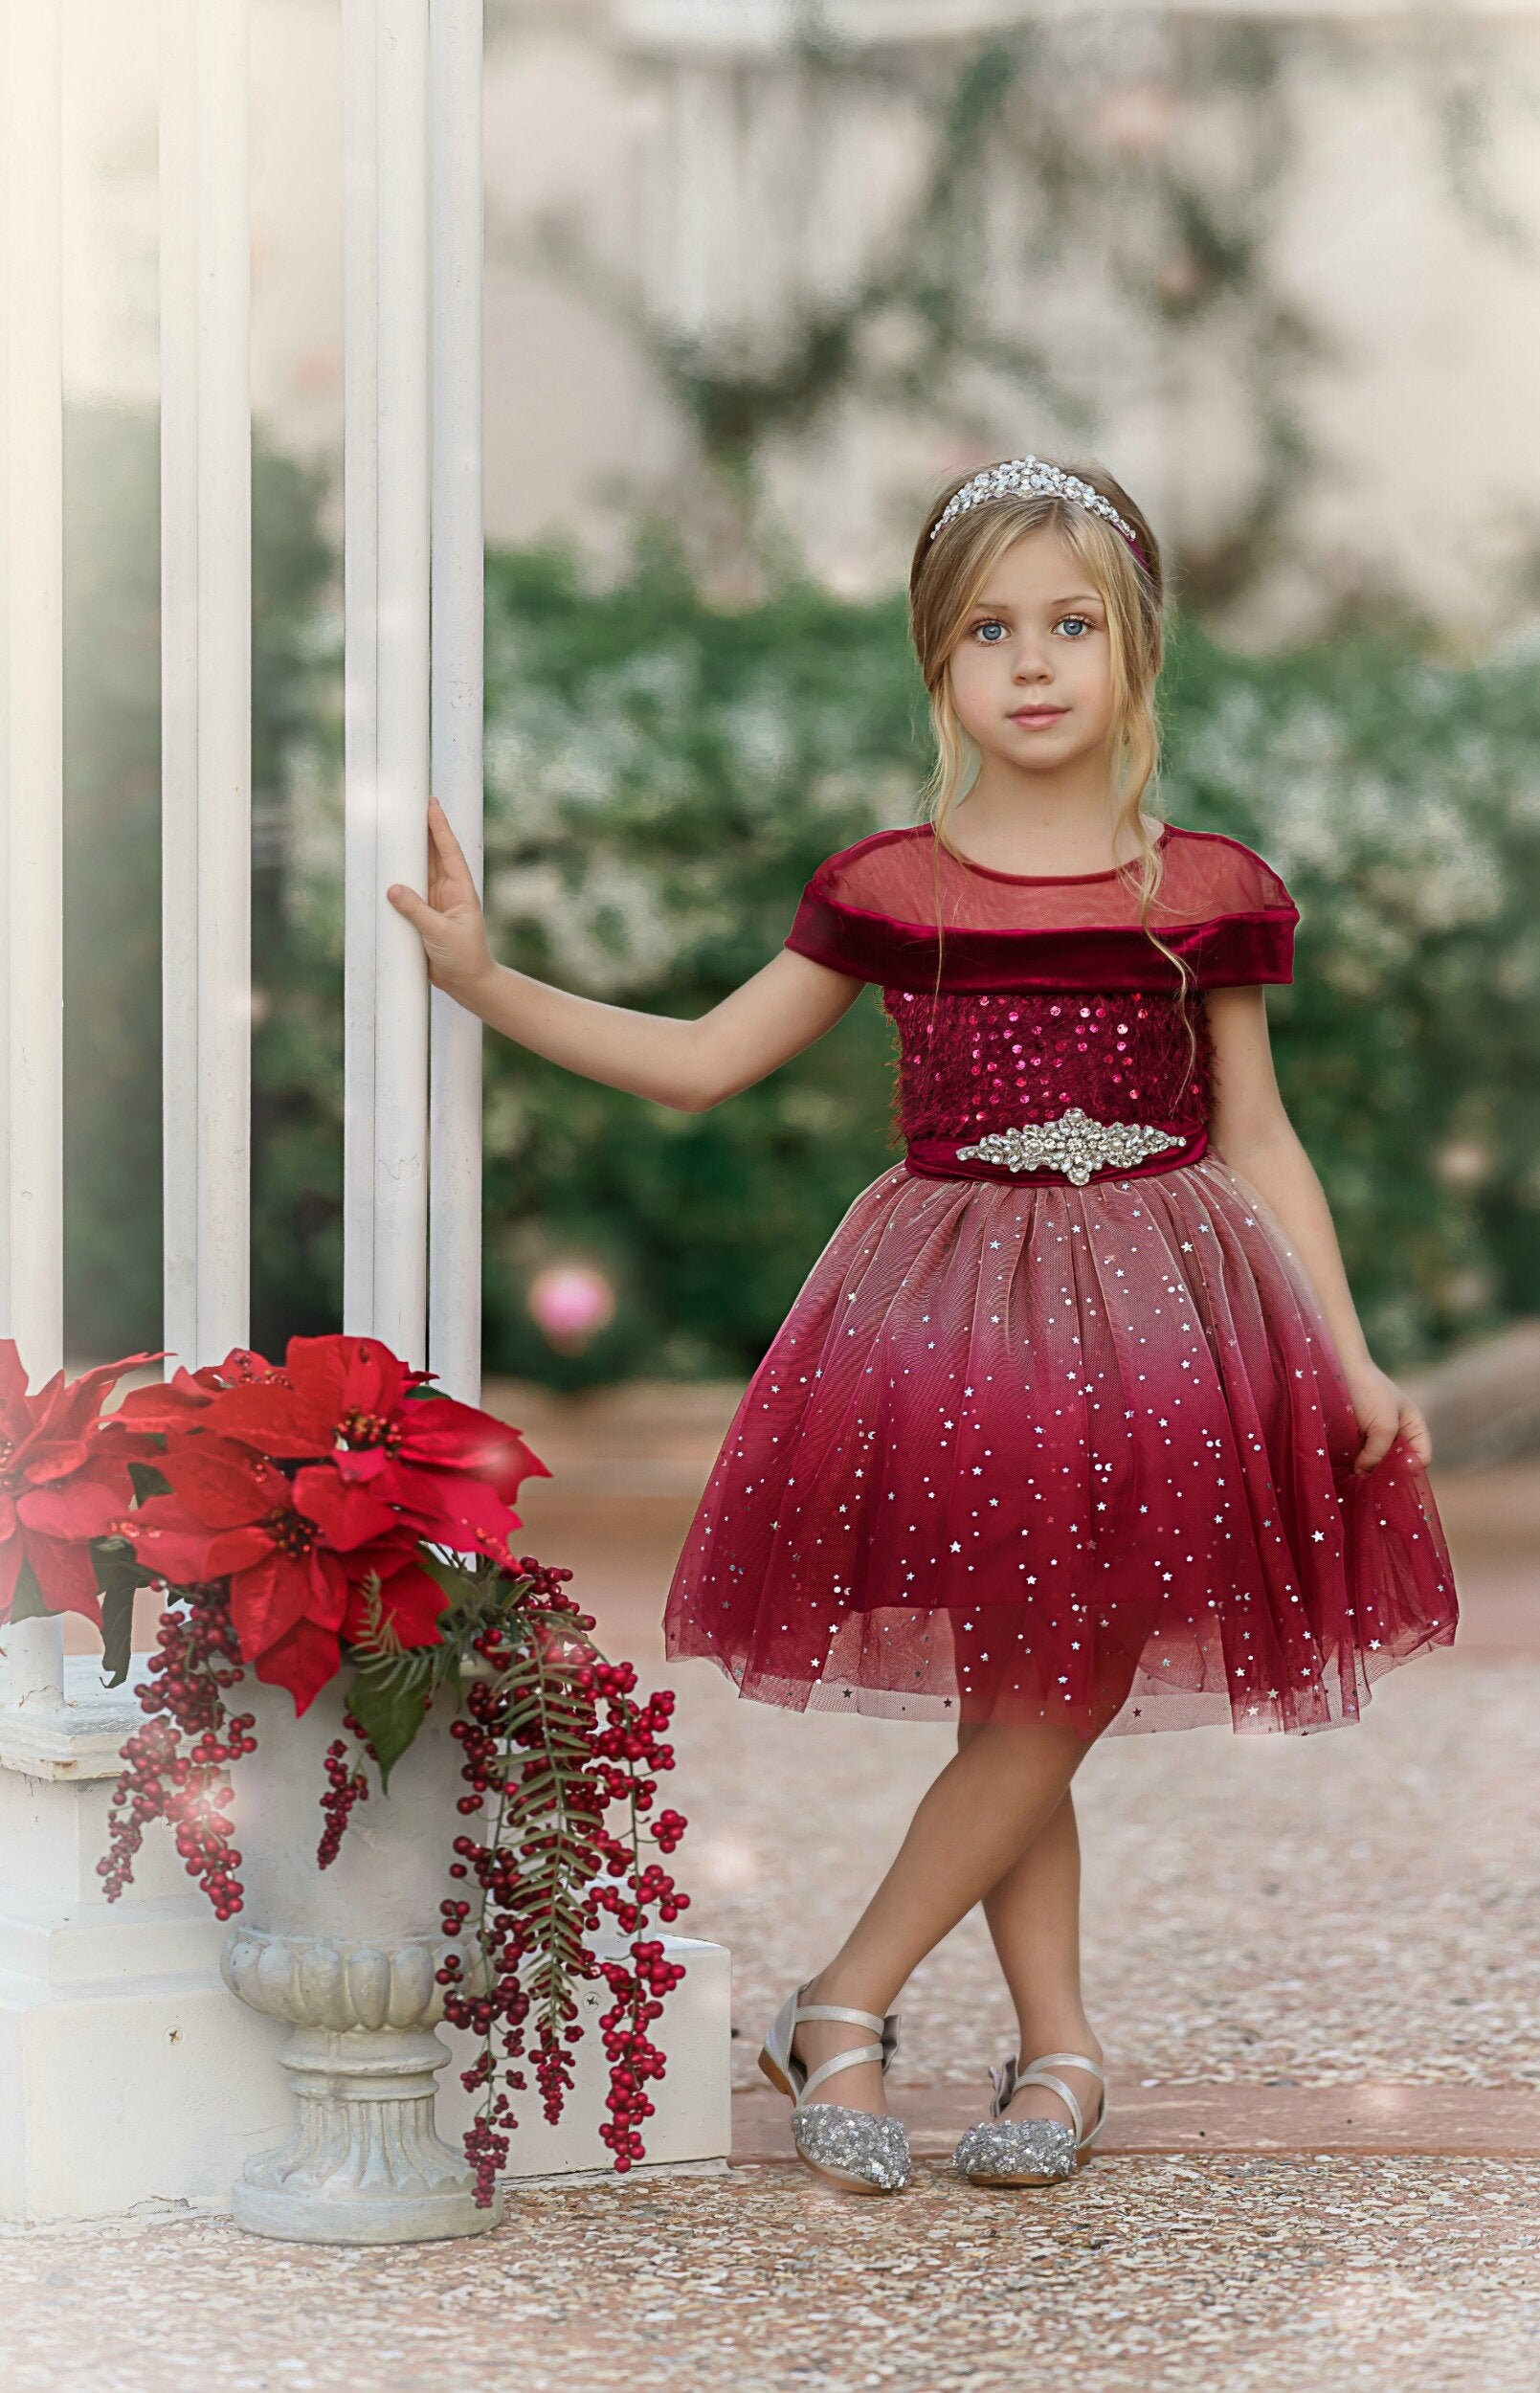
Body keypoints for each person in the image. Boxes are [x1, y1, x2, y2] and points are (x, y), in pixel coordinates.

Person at [388, 454, 1459, 2200]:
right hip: (954, 1327)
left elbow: (1261, 1135)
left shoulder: (1206, 890)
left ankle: (861, 2001)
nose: (1032, 664)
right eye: (988, 630)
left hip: (1172, 1322)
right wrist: (486, 982)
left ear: (1137, 654)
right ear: (935, 665)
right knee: (1030, 1686)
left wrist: (1350, 1353)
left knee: (1058, 1677)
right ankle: (1041, 2046)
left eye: (1071, 625)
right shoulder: (894, 887)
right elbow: (706, 1060)